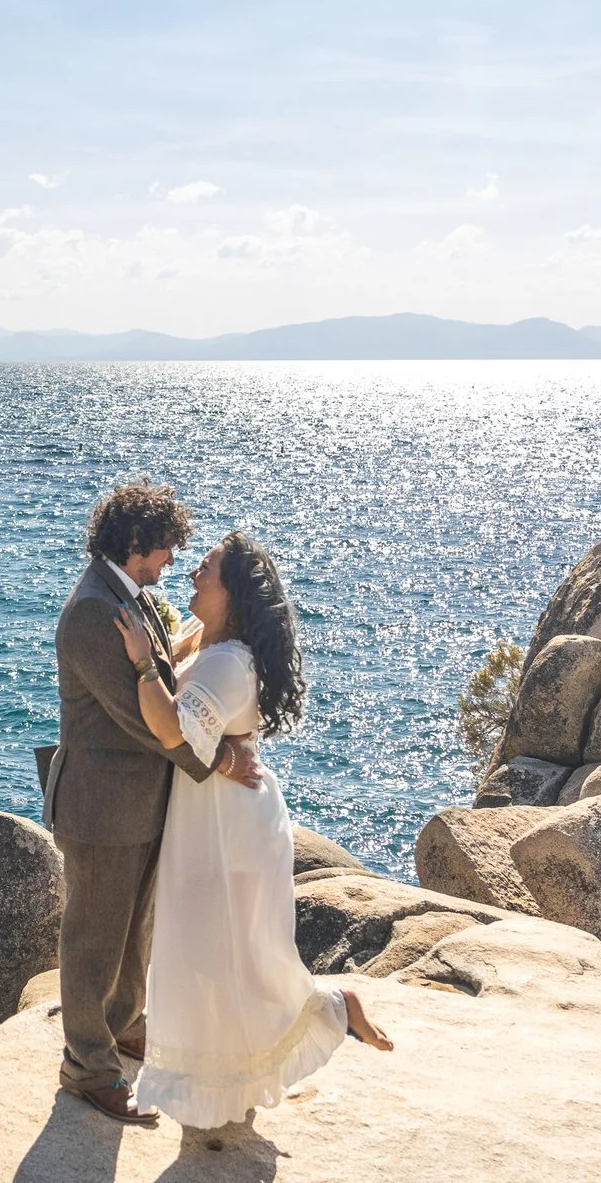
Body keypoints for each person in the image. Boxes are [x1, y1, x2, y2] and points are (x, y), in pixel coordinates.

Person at [113, 531, 393, 1129]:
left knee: (221, 955)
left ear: (233, 593)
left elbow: (175, 733)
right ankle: (219, 1079)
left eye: (207, 569)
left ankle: (330, 1011)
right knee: (211, 956)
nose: (194, 575)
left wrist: (141, 661)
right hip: (212, 819)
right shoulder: (205, 642)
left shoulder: (226, 662)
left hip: (228, 829)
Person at [48, 479, 263, 1126]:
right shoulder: (93, 609)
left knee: (133, 930)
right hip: (101, 807)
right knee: (94, 938)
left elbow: (166, 676)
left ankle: (122, 1028)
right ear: (137, 541)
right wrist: (221, 759)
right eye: (168, 546)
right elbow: (146, 722)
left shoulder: (127, 595)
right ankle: (87, 1067)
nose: (173, 559)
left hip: (137, 804)